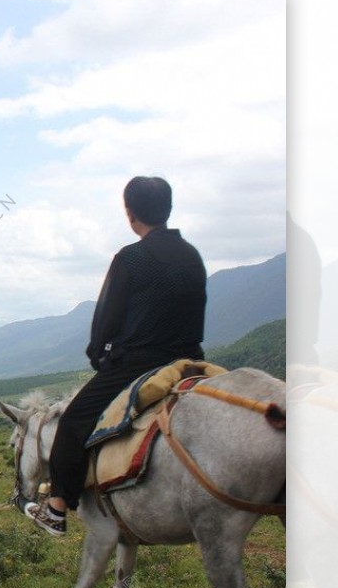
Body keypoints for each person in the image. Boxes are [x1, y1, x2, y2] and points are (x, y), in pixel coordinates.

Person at [28, 176, 206, 536]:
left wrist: (99, 353)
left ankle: (58, 508)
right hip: (191, 361)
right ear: (168, 209)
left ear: (130, 213)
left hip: (139, 364)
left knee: (73, 421)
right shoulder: (192, 255)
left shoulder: (131, 258)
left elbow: (107, 318)